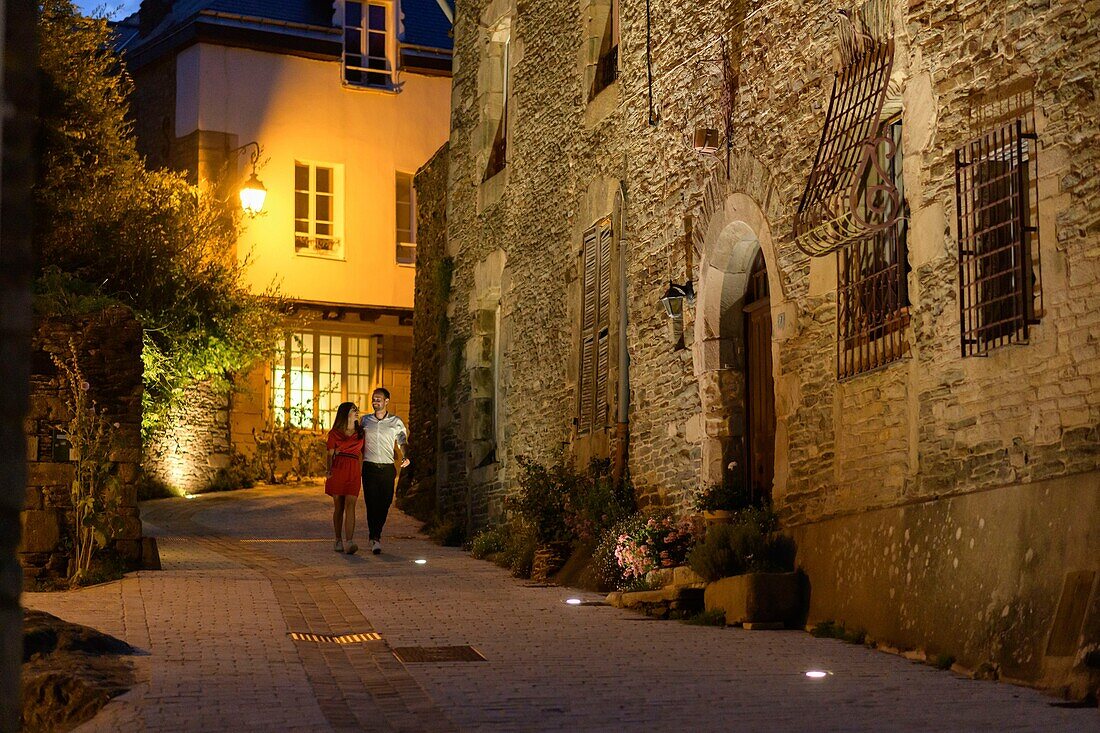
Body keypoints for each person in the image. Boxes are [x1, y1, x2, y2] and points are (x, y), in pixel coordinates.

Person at [360, 387, 409, 555]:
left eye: (378, 399)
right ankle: (375, 537)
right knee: (371, 503)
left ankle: (375, 534)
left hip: (388, 468)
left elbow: (402, 441)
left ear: (387, 401)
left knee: (386, 502)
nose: (375, 401)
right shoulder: (364, 421)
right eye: (374, 398)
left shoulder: (396, 422)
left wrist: (405, 455)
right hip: (369, 467)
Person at [325, 402, 364, 555]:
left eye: (357, 410)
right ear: (345, 413)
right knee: (339, 506)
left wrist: (361, 471)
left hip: (353, 469)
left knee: (351, 504)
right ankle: (338, 539)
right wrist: (329, 471)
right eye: (353, 410)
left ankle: (350, 541)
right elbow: (329, 454)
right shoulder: (335, 433)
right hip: (338, 468)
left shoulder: (361, 433)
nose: (357, 412)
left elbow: (363, 453)